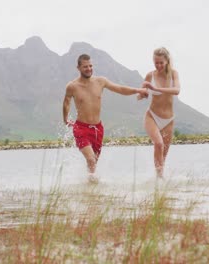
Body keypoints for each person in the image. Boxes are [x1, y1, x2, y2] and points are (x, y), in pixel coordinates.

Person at [63, 54, 148, 183]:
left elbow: (119, 89)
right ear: (78, 68)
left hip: (98, 129)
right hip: (81, 128)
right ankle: (93, 184)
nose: (89, 69)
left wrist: (138, 90)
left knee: (93, 162)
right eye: (85, 67)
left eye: (90, 66)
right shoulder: (72, 86)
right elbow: (66, 102)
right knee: (91, 159)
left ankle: (89, 189)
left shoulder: (100, 81)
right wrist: (65, 119)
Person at [139, 47, 181, 178]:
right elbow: (140, 95)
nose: (158, 66)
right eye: (155, 62)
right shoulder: (150, 75)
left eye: (161, 63)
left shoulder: (173, 74)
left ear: (167, 61)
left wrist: (155, 88)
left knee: (163, 155)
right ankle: (160, 179)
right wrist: (143, 94)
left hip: (169, 119)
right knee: (158, 144)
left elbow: (177, 90)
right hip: (152, 116)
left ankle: (159, 182)